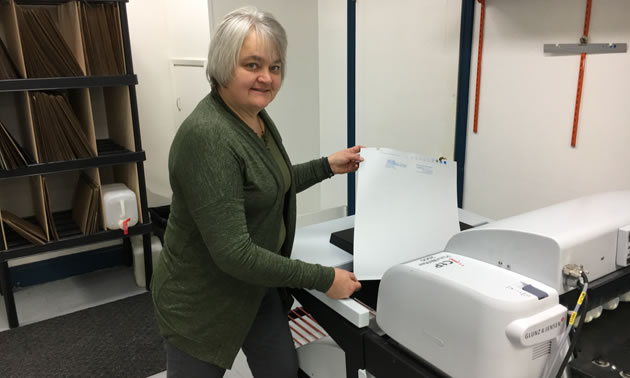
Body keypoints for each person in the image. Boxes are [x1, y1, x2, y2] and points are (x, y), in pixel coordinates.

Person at [151, 6, 363, 378]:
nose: (267, 78)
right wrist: (322, 278)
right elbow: (234, 254)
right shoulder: (209, 137)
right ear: (222, 65)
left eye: (275, 67)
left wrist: (327, 166)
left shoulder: (254, 117)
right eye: (252, 65)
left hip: (255, 286)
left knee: (281, 370)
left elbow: (269, 184)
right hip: (203, 302)